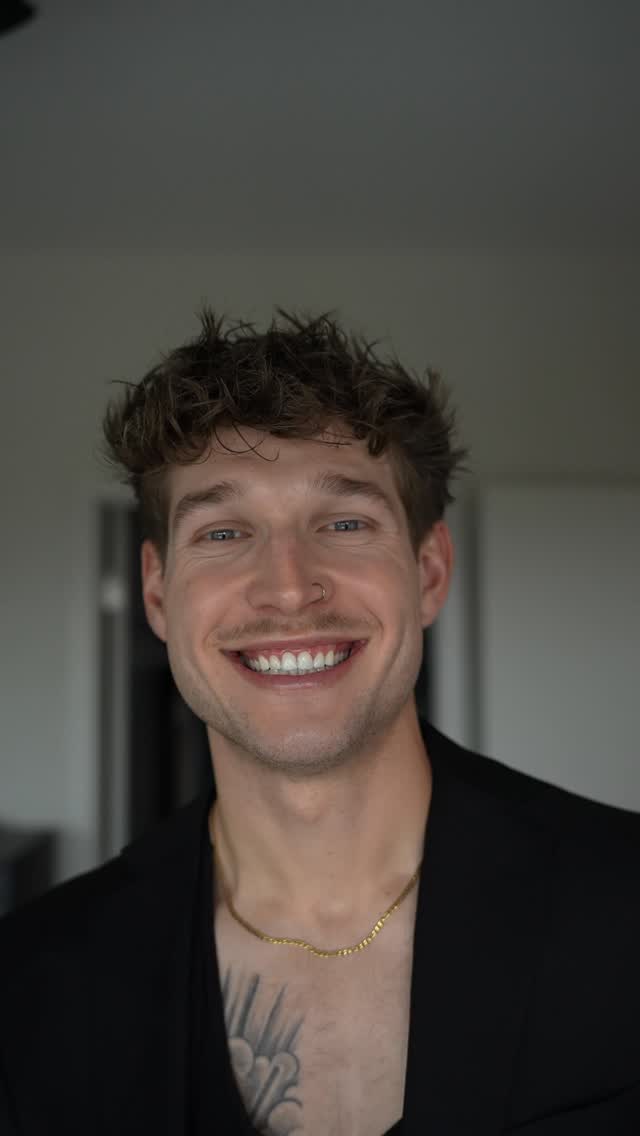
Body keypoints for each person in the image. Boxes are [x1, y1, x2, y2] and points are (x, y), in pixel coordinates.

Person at [1, 309, 639, 1136]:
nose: (288, 587)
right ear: (158, 594)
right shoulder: (31, 983)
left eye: (343, 523)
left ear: (429, 571)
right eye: (223, 531)